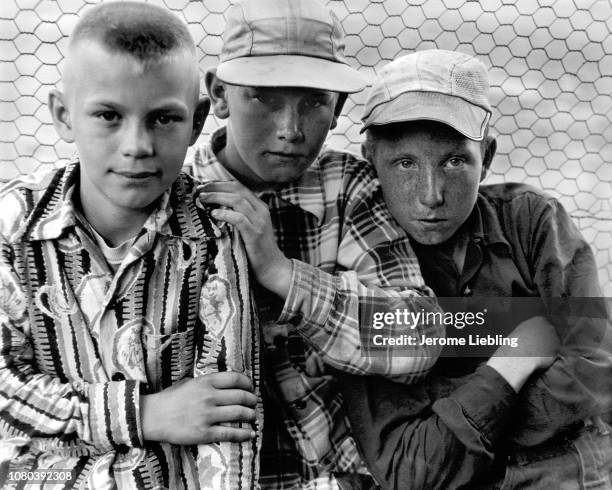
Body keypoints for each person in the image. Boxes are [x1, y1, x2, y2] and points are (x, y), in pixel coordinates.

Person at [183, 0, 445, 487]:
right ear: (219, 94)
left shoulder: (346, 188)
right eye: (263, 99)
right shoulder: (174, 195)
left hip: (340, 473)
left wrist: (280, 273)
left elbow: (421, 340)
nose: (291, 130)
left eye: (314, 102)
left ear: (339, 106)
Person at [0, 3, 263, 489]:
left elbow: (230, 419)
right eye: (108, 115)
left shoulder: (212, 236)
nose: (137, 144)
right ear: (63, 115)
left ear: (198, 120)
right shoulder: (13, 228)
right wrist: (142, 414)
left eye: (164, 119)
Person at [341, 49, 612, 489]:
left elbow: (596, 370)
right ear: (370, 158)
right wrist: (516, 358)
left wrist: (453, 412)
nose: (431, 195)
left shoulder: (533, 221)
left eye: (454, 161)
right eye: (405, 163)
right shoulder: (364, 268)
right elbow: (410, 469)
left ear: (486, 157)